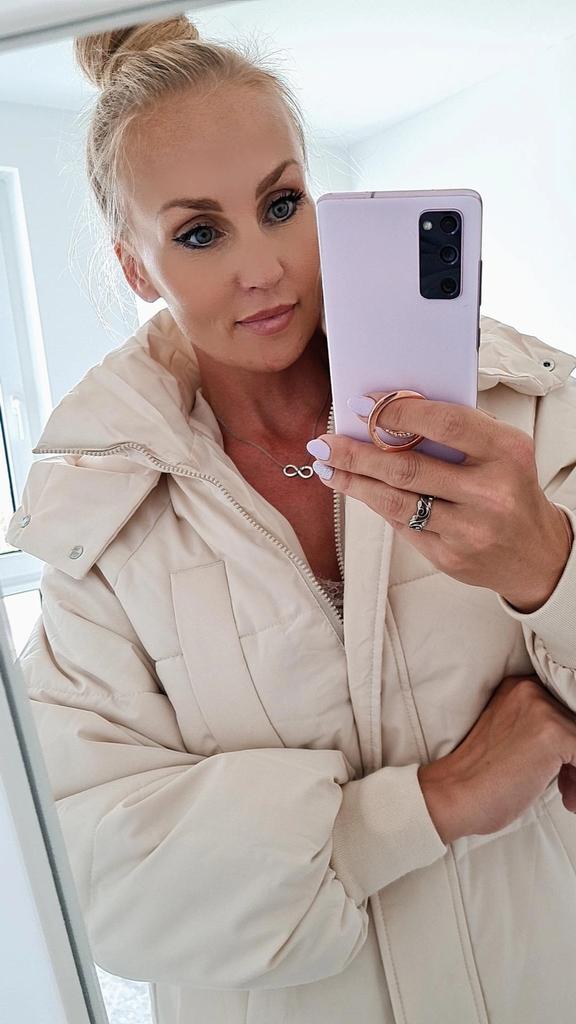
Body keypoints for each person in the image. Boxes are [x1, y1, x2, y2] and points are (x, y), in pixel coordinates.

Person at [6, 15, 576, 1024]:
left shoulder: (522, 413)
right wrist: (425, 808)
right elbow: (92, 872)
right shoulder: (101, 530)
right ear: (137, 268)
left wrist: (551, 570)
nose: (263, 267)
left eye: (281, 205)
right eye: (199, 233)